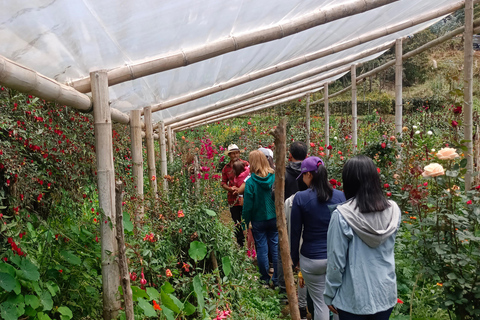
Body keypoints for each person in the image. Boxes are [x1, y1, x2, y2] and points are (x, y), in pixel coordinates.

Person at [324, 155, 401, 320]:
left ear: (348, 181)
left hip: (353, 298)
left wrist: (329, 294)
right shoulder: (393, 210)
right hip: (385, 293)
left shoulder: (342, 215)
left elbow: (336, 262)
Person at [290, 156, 346, 320]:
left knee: (320, 303)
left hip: (312, 259)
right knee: (337, 301)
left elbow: (295, 232)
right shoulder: (341, 197)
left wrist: (294, 259)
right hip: (337, 258)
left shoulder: (300, 198)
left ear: (309, 175)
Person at [278, 141, 309, 318]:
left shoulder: (284, 173)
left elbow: (276, 193)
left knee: (284, 250)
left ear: (289, 155)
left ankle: (284, 291)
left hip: (286, 216)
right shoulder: (311, 172)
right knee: (303, 253)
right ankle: (304, 295)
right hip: (308, 217)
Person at [242, 150, 278, 287]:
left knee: (262, 248)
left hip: (258, 219)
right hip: (274, 217)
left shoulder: (251, 182)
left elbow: (247, 206)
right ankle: (276, 279)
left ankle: (264, 279)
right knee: (275, 247)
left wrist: (244, 223)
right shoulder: (274, 177)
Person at [221, 144, 249, 247]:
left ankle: (250, 242)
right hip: (233, 198)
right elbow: (223, 183)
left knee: (248, 220)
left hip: (245, 197)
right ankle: (240, 243)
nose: (236, 154)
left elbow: (250, 179)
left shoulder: (245, 164)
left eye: (237, 152)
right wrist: (230, 188)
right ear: (229, 155)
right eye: (233, 153)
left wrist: (242, 188)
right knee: (236, 221)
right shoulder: (226, 168)